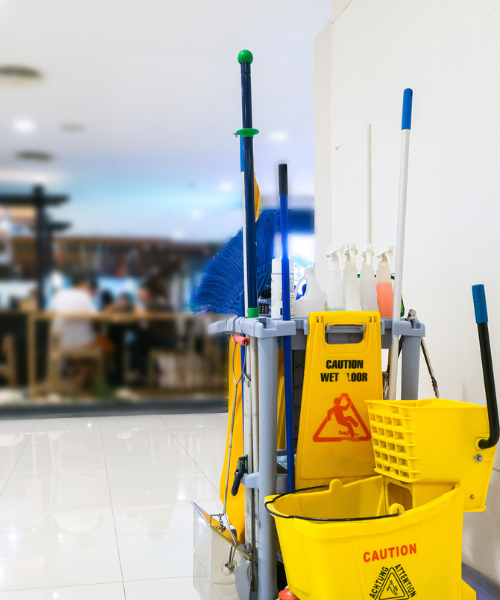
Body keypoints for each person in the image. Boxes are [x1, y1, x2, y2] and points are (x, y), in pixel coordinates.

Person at [50, 275, 98, 350]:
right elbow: (96, 318)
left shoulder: (59, 295)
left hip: (59, 344)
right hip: (82, 345)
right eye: (87, 286)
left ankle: (77, 360)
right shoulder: (84, 295)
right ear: (84, 284)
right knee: (108, 345)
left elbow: (50, 313)